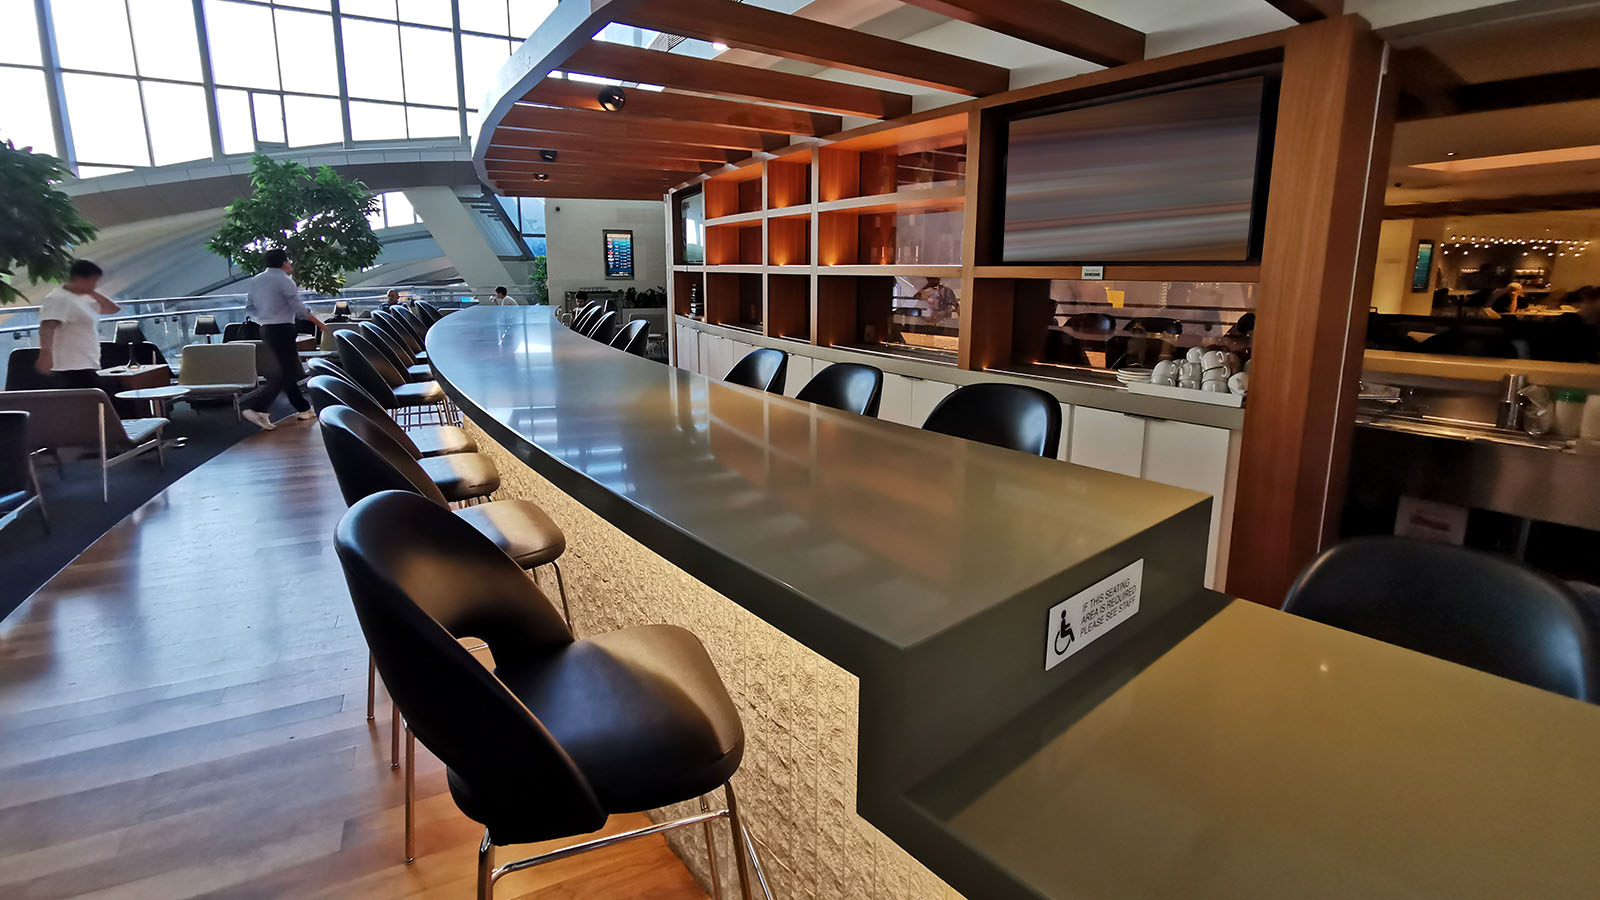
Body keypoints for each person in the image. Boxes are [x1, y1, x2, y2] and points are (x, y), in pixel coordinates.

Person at [240, 249, 330, 431]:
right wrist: (319, 324)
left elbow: (249, 307)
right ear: (283, 262)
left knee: (288, 369)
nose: (290, 264)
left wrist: (263, 319)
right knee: (286, 372)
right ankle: (257, 407)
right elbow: (297, 307)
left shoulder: (256, 280)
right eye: (288, 261)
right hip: (283, 329)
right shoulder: (284, 280)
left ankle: (303, 408)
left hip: (265, 329)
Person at [36, 259, 119, 389]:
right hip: (70, 366)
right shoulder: (58, 298)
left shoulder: (82, 299)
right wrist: (46, 354)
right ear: (79, 279)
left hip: (87, 361)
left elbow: (112, 309)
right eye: (92, 281)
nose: (95, 285)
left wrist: (91, 292)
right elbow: (47, 327)